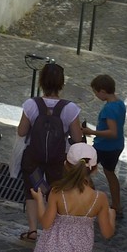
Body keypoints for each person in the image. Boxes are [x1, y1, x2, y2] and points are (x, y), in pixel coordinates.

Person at [17, 62, 85, 240]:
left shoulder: (31, 105)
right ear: (61, 84)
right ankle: (52, 231)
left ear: (41, 82)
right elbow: (77, 139)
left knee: (31, 191)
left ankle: (32, 230)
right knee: (58, 191)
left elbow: (21, 131)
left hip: (33, 156)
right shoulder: (70, 109)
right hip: (58, 158)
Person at [83, 74, 126, 216]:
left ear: (102, 91)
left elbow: (112, 132)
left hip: (103, 147)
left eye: (96, 92)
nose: (95, 95)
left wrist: (92, 132)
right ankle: (117, 206)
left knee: (83, 172)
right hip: (116, 146)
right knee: (110, 173)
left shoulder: (109, 109)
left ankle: (94, 202)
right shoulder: (119, 104)